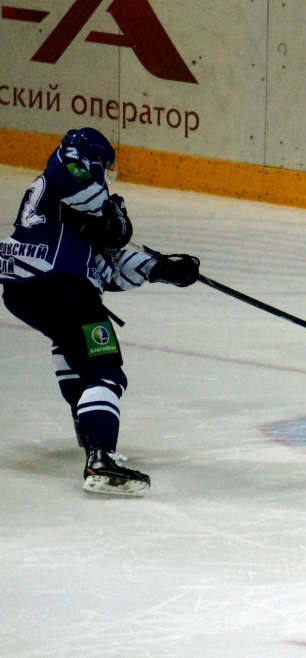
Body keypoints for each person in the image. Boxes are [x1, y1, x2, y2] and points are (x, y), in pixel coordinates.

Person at [0, 127, 201, 496]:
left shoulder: (74, 211)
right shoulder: (68, 168)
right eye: (106, 166)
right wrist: (110, 213)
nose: (108, 175)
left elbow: (107, 269)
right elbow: (71, 170)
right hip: (59, 284)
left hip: (28, 289)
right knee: (104, 367)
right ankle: (100, 457)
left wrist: (162, 269)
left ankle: (89, 428)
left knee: (70, 344)